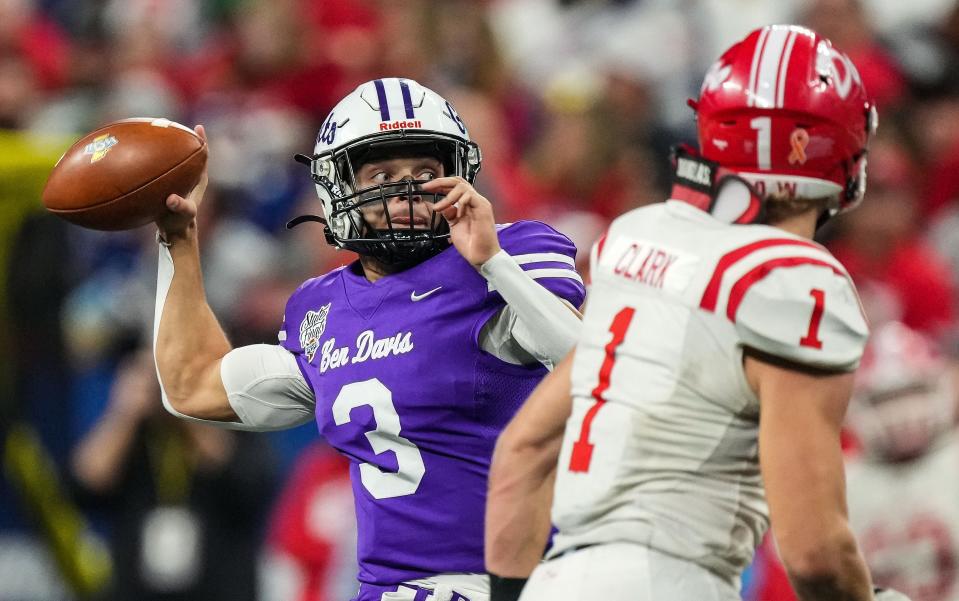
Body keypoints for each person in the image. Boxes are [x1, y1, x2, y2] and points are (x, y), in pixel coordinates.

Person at [484, 25, 909, 601]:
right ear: (840, 147)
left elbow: (525, 450)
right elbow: (814, 552)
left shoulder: (636, 235)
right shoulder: (795, 280)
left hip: (558, 578)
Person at [152, 78, 586, 601]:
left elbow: (585, 365)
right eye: (382, 174)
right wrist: (178, 239)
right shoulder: (321, 307)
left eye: (425, 173)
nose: (406, 192)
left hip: (523, 580)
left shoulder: (509, 252)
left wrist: (494, 263)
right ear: (341, 186)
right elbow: (192, 386)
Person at [71, 348, 276, 601]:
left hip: (218, 588)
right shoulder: (133, 434)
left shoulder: (235, 414)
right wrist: (124, 413)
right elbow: (87, 482)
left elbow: (245, 483)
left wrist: (189, 405)